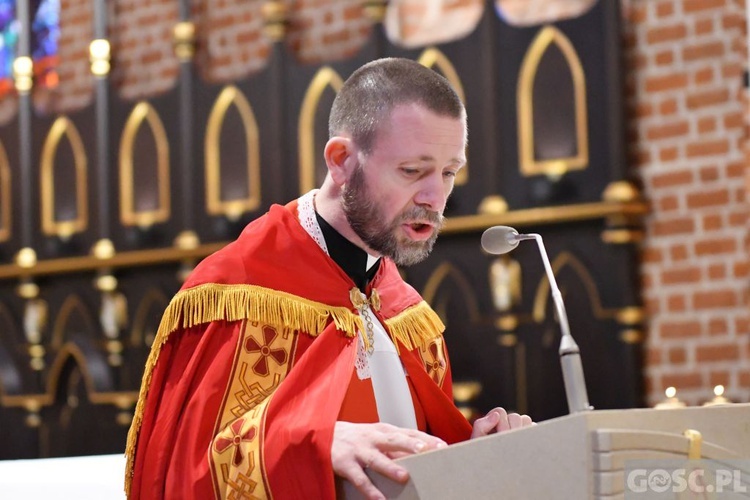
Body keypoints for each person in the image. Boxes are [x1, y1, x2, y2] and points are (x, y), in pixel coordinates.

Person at [125, 57, 532, 500]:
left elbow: (414, 469)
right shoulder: (239, 293)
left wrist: (477, 455)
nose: (436, 197)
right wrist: (311, 444)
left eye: (449, 172)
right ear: (341, 160)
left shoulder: (408, 316)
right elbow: (182, 476)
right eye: (412, 171)